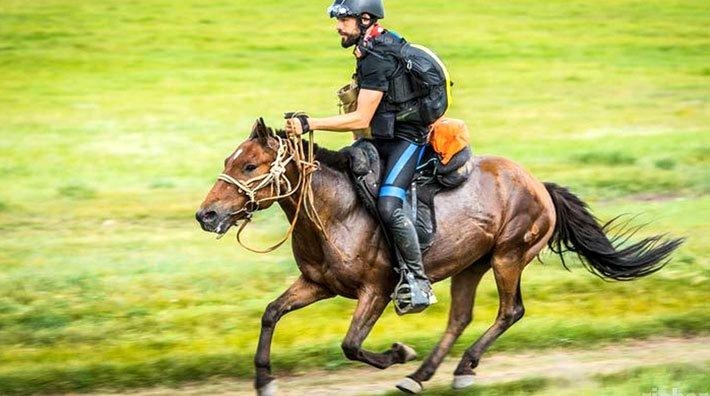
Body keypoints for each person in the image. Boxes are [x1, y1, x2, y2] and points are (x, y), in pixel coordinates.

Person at [285, 0, 436, 309]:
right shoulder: (370, 46)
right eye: (338, 20)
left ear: (365, 19)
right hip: (382, 136)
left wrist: (309, 123)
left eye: (344, 19)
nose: (338, 26)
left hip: (407, 140)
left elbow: (361, 119)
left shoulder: (377, 57)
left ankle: (418, 282)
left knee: (389, 203)